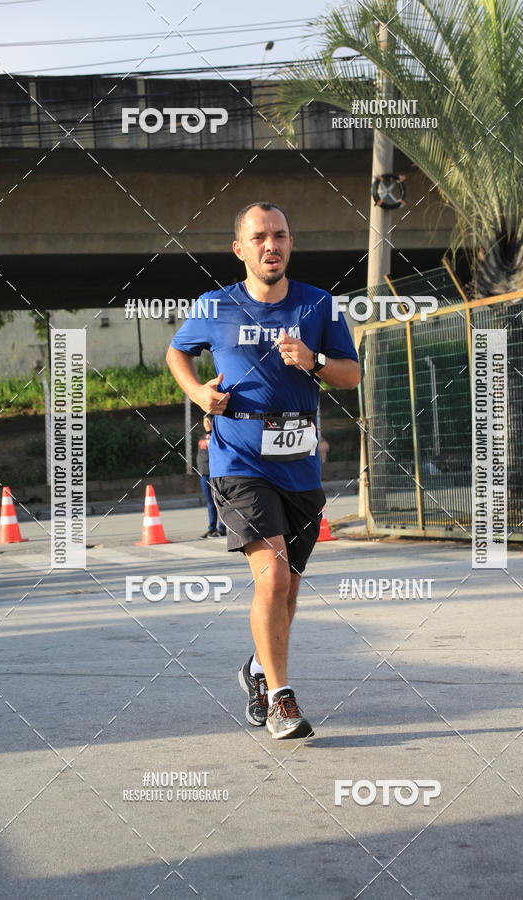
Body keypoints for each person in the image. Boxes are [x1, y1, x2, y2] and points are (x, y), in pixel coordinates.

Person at [166, 202, 359, 739]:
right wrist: (198, 392)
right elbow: (177, 354)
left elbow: (351, 375)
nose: (271, 244)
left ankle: (257, 668)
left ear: (290, 243)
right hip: (239, 458)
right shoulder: (214, 306)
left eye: (280, 235)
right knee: (272, 576)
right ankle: (280, 699)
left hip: (300, 464)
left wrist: (314, 361)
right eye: (259, 237)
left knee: (287, 591)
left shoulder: (319, 305)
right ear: (240, 248)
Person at [196, 415, 226, 538]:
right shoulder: (203, 436)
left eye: (207, 421)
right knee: (210, 502)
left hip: (216, 474)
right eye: (204, 421)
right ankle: (211, 528)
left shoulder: (218, 434)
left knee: (220, 501)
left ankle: (222, 528)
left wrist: (210, 432)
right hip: (204, 474)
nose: (205, 423)